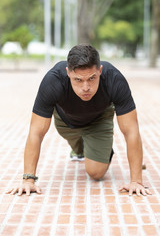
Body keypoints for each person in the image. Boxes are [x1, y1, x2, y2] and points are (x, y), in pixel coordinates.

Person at [6, 44, 151, 196]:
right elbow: (36, 132)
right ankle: (82, 149)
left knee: (96, 173)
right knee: (77, 143)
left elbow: (131, 131)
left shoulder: (114, 78)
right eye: (78, 80)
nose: (86, 87)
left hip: (99, 120)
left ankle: (101, 149)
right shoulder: (53, 80)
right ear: (68, 73)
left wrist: (136, 181)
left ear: (100, 70)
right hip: (66, 122)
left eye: (92, 78)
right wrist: (28, 180)